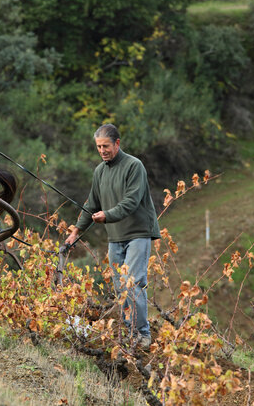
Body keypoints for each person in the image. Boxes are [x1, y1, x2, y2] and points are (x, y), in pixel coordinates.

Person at [65, 123, 160, 348]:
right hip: (115, 238)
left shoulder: (134, 166)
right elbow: (91, 203)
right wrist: (76, 231)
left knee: (132, 283)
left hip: (138, 233)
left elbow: (131, 201)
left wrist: (107, 215)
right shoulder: (99, 171)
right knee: (119, 287)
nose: (102, 151)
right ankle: (129, 332)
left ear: (117, 143)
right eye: (98, 147)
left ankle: (143, 334)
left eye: (105, 146)